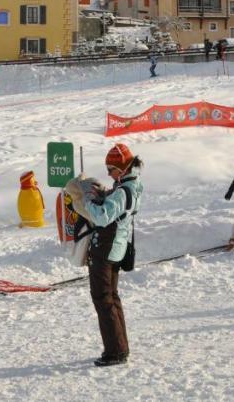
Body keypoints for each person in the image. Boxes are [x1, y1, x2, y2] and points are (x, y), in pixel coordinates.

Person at [85, 143, 143, 366]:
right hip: (117, 248)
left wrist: (88, 202)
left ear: (122, 168)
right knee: (112, 296)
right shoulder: (132, 185)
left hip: (106, 249)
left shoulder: (122, 191)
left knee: (103, 297)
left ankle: (115, 351)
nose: (108, 173)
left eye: (111, 169)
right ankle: (120, 347)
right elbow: (117, 206)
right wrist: (106, 195)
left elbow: (101, 217)